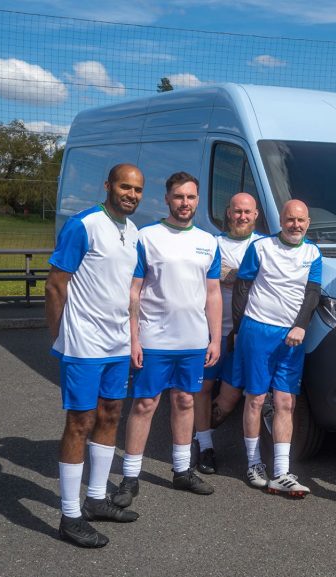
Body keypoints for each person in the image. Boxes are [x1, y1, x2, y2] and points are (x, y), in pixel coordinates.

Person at [45, 163, 144, 548]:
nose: (131, 195)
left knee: (111, 414)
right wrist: (61, 337)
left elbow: (129, 291)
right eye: (124, 187)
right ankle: (69, 517)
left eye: (137, 190)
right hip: (84, 344)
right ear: (108, 185)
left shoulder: (132, 232)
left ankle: (97, 499)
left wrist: (132, 335)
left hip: (117, 343)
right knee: (80, 422)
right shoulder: (83, 225)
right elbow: (56, 285)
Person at [112, 171, 222, 508]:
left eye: (190, 197)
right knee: (145, 404)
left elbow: (214, 293)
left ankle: (182, 470)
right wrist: (133, 338)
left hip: (193, 340)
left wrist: (215, 338)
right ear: (167, 199)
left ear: (197, 200)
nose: (184, 203)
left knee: (186, 402)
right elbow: (133, 291)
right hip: (154, 339)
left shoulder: (209, 241)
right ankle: (130, 478)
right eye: (178, 197)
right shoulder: (147, 237)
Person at [234, 199, 322, 498]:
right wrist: (238, 329)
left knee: (285, 402)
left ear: (308, 222)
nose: (295, 225)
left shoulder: (313, 252)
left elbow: (312, 294)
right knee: (256, 399)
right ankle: (253, 463)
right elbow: (242, 287)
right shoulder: (260, 247)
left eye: (300, 220)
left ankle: (281, 472)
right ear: (280, 221)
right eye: (289, 219)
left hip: (292, 336)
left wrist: (301, 325)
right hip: (257, 330)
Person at [193, 192, 263, 475]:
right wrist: (238, 274)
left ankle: (195, 431)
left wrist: (231, 274)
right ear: (228, 212)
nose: (242, 217)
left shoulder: (263, 245)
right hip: (210, 332)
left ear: (256, 214)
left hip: (243, 336)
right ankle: (205, 446)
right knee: (203, 389)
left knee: (229, 398)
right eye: (237, 211)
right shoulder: (213, 244)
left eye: (247, 212)